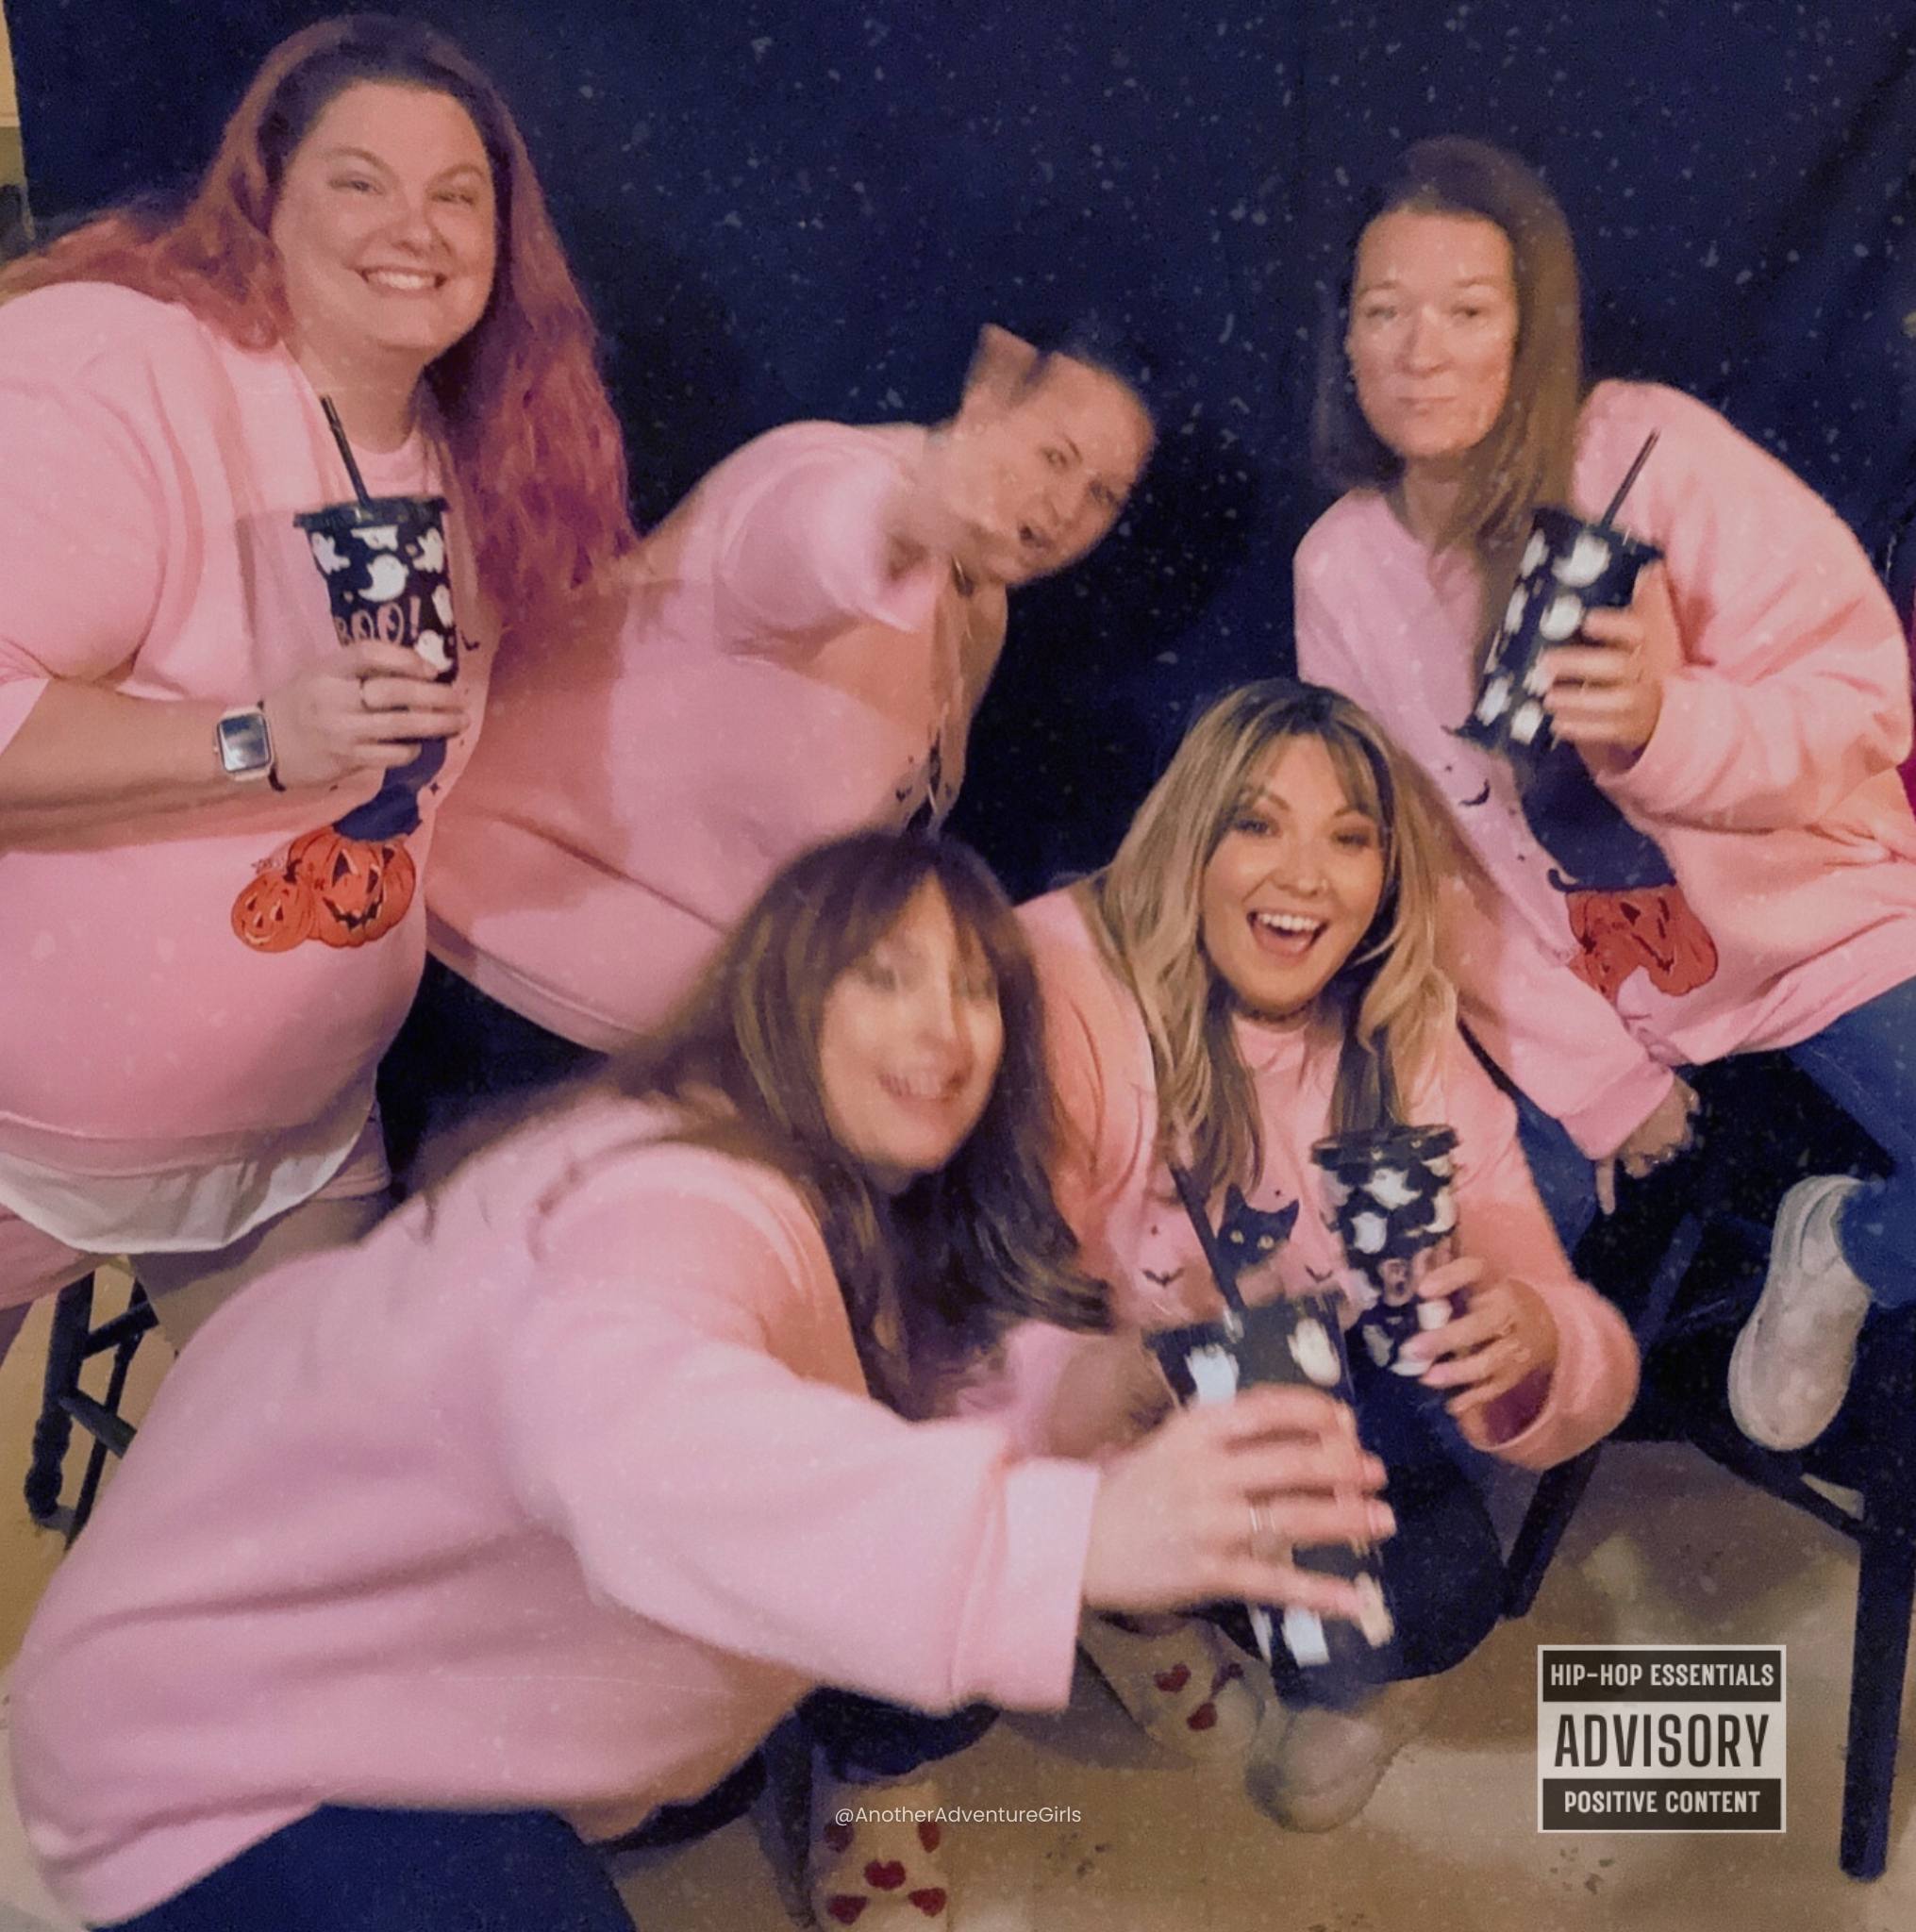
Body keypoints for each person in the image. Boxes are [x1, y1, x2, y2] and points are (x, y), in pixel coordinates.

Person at [7, 829, 1391, 1932]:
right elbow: (639, 1427)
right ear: (780, 987)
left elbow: (878, 1373)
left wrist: (1092, 1398)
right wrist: (1071, 1536)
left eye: (977, 987)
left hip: (367, 1712)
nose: (947, 1025)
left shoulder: (818, 1199)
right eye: (887, 975)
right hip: (231, 1764)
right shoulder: (672, 1197)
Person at [0, 15, 634, 1357]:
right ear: (264, 204)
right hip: (18, 1136)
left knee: (315, 1528)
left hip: (291, 1151)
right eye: (361, 180)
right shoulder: (127, 374)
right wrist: (250, 741)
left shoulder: (481, 461)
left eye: (458, 195)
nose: (417, 225)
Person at [1293, 135, 1916, 1452]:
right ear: (1340, 341)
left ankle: (1846, 1248)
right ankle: (1374, 1524)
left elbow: (1863, 704)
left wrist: (1666, 726)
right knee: (1472, 1346)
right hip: (1570, 984)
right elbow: (1420, 874)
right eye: (1380, 311)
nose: (1418, 349)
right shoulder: (1341, 570)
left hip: (1817, 925)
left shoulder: (1651, 456)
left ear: (1529, 328)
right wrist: (1591, 1081)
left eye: (1465, 310)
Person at [1018, 679, 1638, 1829]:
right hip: (1078, 1414)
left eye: (1350, 839)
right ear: (1188, 838)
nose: (1305, 874)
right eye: (1257, 823)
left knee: (1447, 1585)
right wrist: (1119, 1420)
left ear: (1387, 878)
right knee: (936, 1608)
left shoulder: (1399, 1030)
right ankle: (1121, 1614)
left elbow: (1569, 1323)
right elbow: (949, 1332)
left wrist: (1541, 1331)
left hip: (1288, 1388)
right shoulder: (1060, 986)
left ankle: (1186, 1605)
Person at [380, 323, 1156, 1174]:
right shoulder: (826, 475)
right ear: (989, 391)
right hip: (497, 1025)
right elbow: (807, 544)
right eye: (1054, 457)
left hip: (672, 1065)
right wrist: (908, 514)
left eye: (1102, 494)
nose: (1064, 510)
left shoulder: (980, 609)